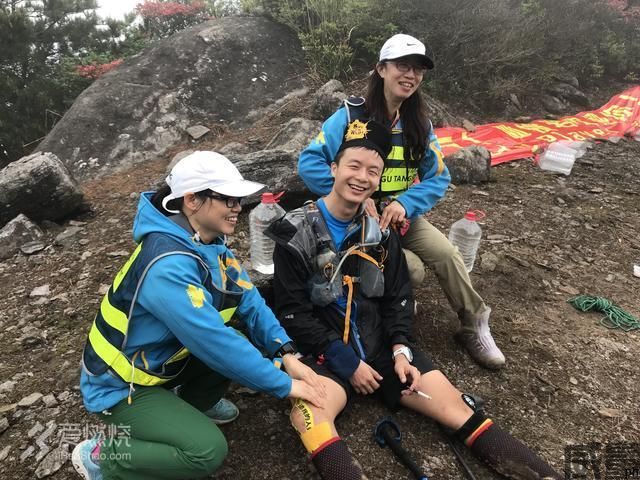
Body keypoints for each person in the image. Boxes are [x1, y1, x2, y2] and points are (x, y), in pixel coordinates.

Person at [268, 119, 561, 479]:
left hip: (380, 348)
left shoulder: (381, 232)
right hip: (324, 355)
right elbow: (292, 314)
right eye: (354, 166)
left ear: (379, 180)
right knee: (308, 417)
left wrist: (401, 350)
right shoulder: (294, 232)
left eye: (372, 171)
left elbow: (399, 299)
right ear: (333, 169)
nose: (362, 177)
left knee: (455, 408)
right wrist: (348, 364)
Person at [72, 151, 326, 480]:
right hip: (120, 386)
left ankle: (188, 409)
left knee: (236, 339)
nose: (238, 207)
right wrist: (286, 385)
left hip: (156, 364)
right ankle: (104, 456)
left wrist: (286, 352)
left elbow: (249, 299)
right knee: (206, 451)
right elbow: (214, 343)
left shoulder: (208, 242)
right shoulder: (166, 265)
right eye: (229, 199)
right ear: (192, 200)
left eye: (239, 199)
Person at [298, 33, 505, 369]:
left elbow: (439, 176)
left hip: (399, 216)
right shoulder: (351, 117)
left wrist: (405, 204)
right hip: (356, 217)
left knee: (447, 254)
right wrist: (352, 195)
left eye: (418, 70)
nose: (410, 75)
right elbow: (309, 162)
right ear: (381, 69)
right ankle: (389, 308)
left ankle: (474, 324)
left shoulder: (418, 123)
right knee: (412, 270)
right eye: (402, 66)